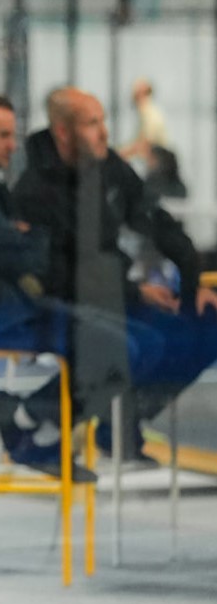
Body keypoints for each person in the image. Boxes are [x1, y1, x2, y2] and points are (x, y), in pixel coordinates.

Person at [0, 92, 137, 481]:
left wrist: (20, 239)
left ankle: (31, 424)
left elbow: (13, 245)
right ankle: (28, 421)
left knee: (121, 343)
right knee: (117, 347)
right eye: (3, 135)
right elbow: (11, 252)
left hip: (4, 308)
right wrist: (21, 239)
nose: (13, 145)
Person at [15, 87, 217, 459]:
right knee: (142, 343)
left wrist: (193, 284)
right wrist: (136, 292)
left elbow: (158, 221)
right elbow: (65, 273)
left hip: (114, 294)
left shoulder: (108, 167)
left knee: (208, 326)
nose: (105, 132)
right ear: (63, 131)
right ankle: (36, 412)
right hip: (63, 304)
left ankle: (121, 422)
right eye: (93, 124)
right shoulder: (35, 190)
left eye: (102, 121)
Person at [120, 78, 170, 167]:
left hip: (156, 167)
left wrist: (121, 154)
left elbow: (145, 142)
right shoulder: (145, 114)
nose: (132, 97)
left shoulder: (151, 114)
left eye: (135, 93)